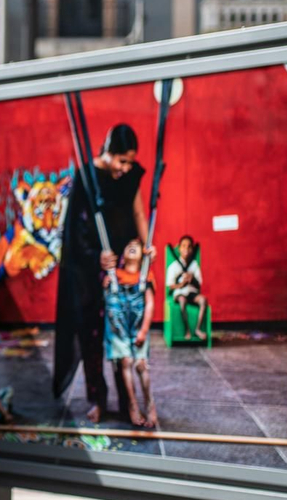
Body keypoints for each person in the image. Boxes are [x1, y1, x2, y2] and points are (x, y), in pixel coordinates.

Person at [53, 122, 149, 423]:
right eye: (121, 160)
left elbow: (137, 211)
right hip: (89, 268)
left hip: (122, 267)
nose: (125, 167)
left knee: (123, 334)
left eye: (130, 161)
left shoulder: (131, 174)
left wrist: (146, 247)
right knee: (92, 337)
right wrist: (97, 257)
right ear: (108, 153)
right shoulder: (86, 177)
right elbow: (74, 231)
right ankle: (97, 398)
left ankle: (128, 402)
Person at [105, 239, 158, 428]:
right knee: (125, 361)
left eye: (137, 245)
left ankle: (149, 403)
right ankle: (132, 403)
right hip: (118, 322)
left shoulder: (145, 276)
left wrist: (144, 330)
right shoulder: (115, 275)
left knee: (141, 365)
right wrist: (107, 284)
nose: (132, 246)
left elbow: (150, 304)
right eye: (128, 245)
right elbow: (106, 299)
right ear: (122, 255)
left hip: (137, 323)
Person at [165, 235, 207, 337]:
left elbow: (199, 283)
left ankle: (197, 329)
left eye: (189, 246)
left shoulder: (194, 265)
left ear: (192, 249)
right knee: (182, 301)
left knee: (203, 300)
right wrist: (181, 284)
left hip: (192, 293)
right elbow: (170, 286)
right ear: (179, 248)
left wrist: (192, 279)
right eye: (183, 246)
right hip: (180, 293)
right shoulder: (173, 266)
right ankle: (187, 330)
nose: (186, 249)